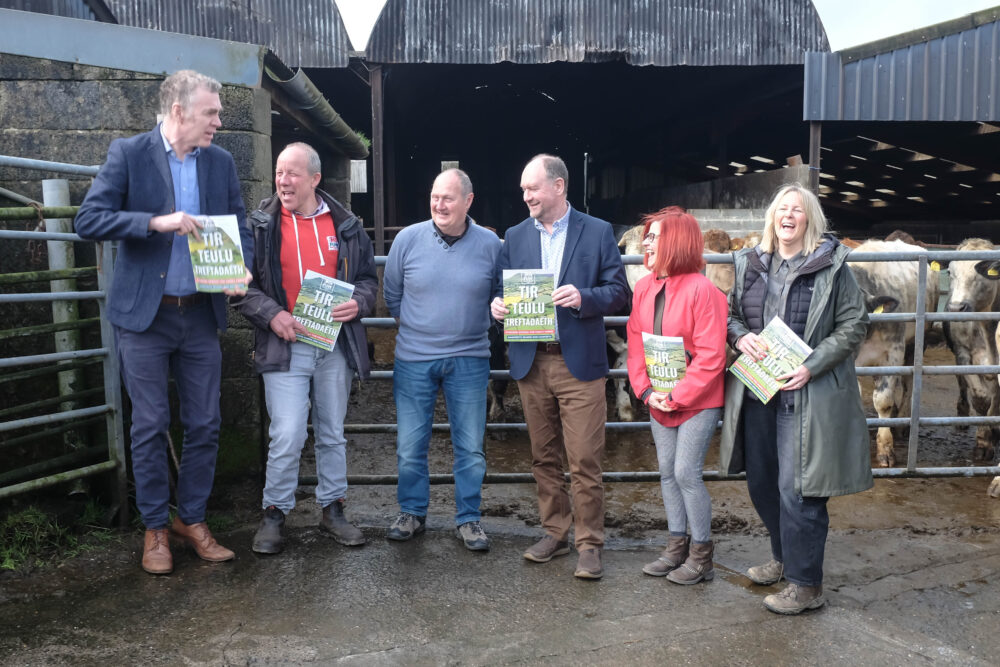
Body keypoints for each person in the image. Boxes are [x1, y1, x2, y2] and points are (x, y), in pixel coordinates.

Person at [74, 69, 253, 575]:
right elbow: (88, 219)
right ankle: (155, 527)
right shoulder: (129, 153)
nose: (219, 121)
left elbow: (239, 224)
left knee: (206, 422)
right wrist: (155, 222)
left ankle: (190, 520)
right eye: (211, 113)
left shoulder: (219, 162)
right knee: (150, 423)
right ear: (179, 111)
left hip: (199, 314)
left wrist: (243, 268)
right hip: (144, 318)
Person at [720, 183, 872, 614]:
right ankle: (785, 558)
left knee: (799, 488)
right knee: (763, 481)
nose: (788, 215)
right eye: (781, 208)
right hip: (758, 389)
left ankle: (807, 585)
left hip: (807, 393)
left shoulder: (832, 266)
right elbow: (732, 314)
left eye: (798, 210)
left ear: (810, 220)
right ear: (772, 217)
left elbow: (853, 325)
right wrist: (741, 337)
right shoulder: (750, 262)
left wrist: (811, 364)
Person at [232, 142, 377, 554]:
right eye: (279, 172)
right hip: (285, 344)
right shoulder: (260, 225)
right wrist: (272, 315)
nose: (283, 180)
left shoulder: (346, 225)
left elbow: (368, 279)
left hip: (333, 344)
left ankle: (333, 509)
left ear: (315, 179)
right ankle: (275, 512)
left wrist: (360, 302)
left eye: (292, 173)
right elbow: (240, 286)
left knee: (332, 432)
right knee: (288, 432)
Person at [491, 154, 628, 579]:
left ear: (558, 186)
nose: (526, 195)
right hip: (532, 362)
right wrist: (497, 305)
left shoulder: (598, 231)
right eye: (523, 190)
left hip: (578, 364)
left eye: (532, 188)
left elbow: (620, 292)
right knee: (543, 457)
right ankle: (555, 531)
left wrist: (585, 298)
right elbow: (500, 287)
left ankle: (589, 544)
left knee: (585, 458)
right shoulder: (514, 237)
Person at [382, 168, 502, 551]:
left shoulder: (490, 244)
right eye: (435, 196)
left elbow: (501, 294)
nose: (439, 204)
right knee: (410, 443)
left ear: (468, 201)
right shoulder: (407, 239)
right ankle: (412, 512)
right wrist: (420, 328)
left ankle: (469, 518)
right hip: (414, 358)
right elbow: (392, 293)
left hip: (469, 357)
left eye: (448, 197)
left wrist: (483, 318)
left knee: (470, 445)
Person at [626, 207, 727, 585]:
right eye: (647, 237)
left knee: (686, 473)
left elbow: (712, 354)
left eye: (655, 236)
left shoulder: (705, 290)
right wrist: (646, 390)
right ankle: (675, 546)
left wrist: (677, 394)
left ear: (678, 241)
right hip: (658, 396)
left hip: (697, 400)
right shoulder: (643, 288)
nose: (647, 243)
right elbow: (636, 342)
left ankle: (702, 555)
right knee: (667, 472)